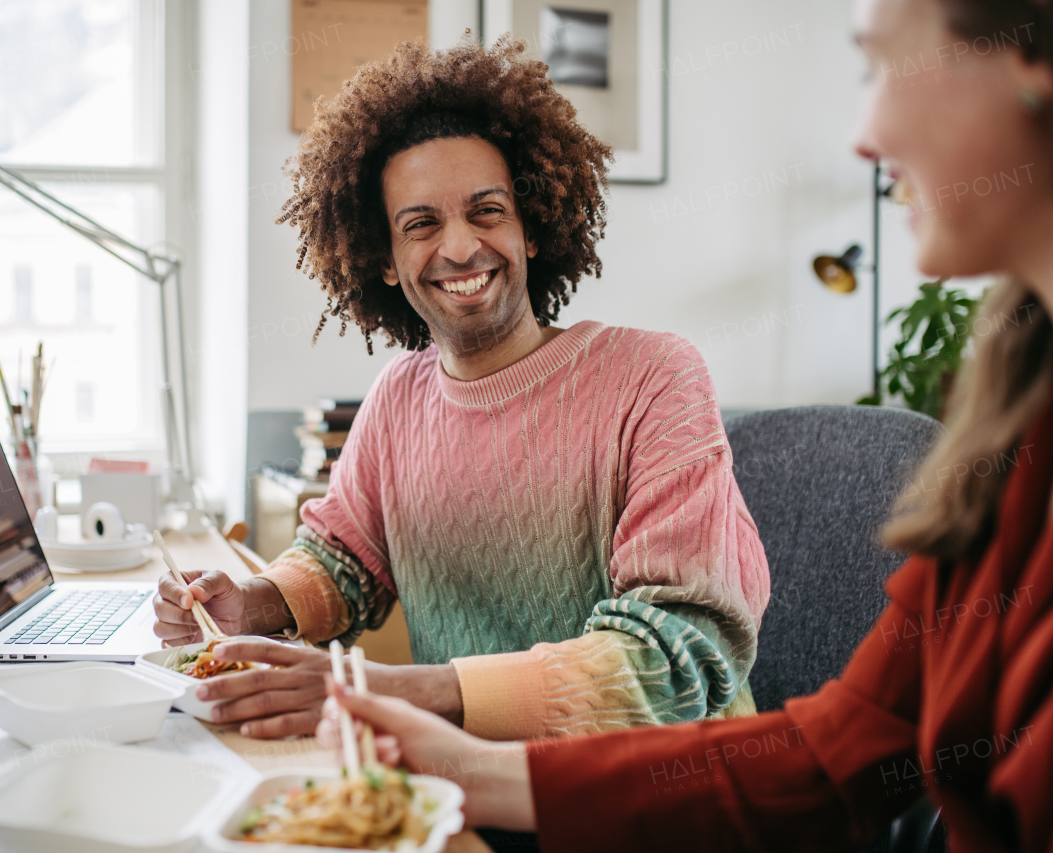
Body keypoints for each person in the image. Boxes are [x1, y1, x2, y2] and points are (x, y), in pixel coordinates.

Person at [317, 0, 1053, 850]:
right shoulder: (1009, 420)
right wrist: (452, 760)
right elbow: (831, 757)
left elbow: (680, 665)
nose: (863, 134)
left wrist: (428, 693)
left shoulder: (646, 373)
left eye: (883, 68)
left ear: (1031, 67)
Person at [154, 38, 771, 740]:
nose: (457, 248)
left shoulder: (654, 377)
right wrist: (252, 603)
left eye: (486, 211)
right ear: (385, 260)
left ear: (530, 228)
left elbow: (677, 654)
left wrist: (400, 690)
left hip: (658, 796)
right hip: (471, 783)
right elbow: (344, 557)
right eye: (421, 224)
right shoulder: (397, 398)